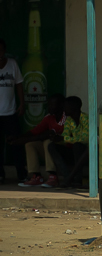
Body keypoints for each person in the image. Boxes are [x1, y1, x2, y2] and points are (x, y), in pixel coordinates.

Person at [9, 94, 65, 188]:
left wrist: (20, 141)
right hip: (52, 154)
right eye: (49, 104)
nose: (49, 107)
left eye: (52, 105)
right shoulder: (49, 117)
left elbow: (44, 136)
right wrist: (17, 137)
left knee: (48, 142)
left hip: (64, 153)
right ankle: (37, 176)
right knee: (30, 144)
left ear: (61, 106)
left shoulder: (66, 118)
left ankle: (53, 176)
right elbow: (35, 132)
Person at [0, 37, 26, 185]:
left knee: (16, 144)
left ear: (4, 51)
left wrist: (22, 104)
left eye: (1, 50)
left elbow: (19, 84)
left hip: (10, 112)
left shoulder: (12, 64)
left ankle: (21, 174)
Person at [48, 95, 89, 189]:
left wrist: (64, 139)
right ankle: (67, 177)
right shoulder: (69, 120)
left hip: (87, 154)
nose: (63, 109)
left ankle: (77, 180)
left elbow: (86, 139)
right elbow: (65, 137)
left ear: (74, 107)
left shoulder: (86, 118)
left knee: (78, 146)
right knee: (52, 146)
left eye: (65, 107)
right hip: (75, 153)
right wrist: (57, 139)